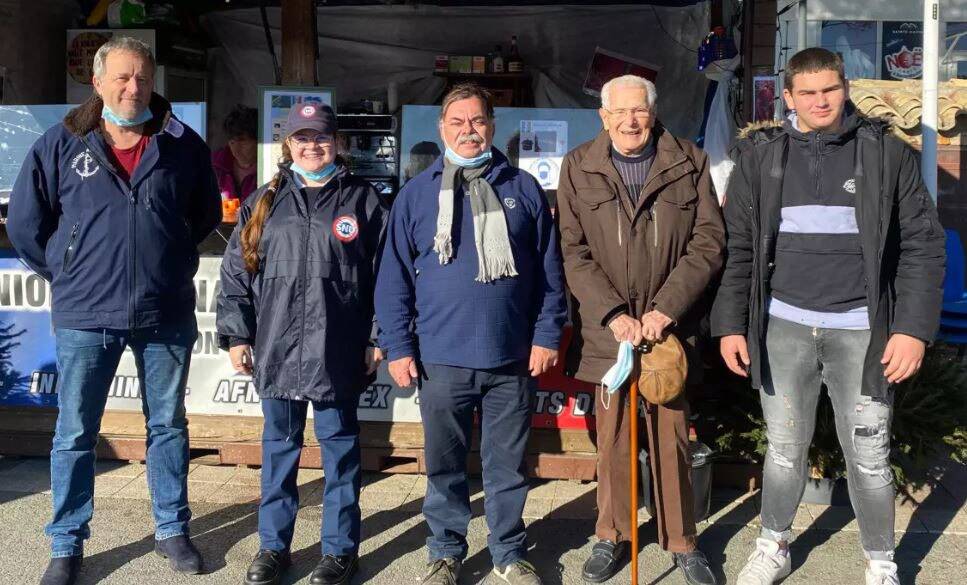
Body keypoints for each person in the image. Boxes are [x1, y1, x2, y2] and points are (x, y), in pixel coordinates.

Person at [711, 48, 945, 585]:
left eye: (830, 90)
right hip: (783, 329)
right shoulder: (763, 159)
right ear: (787, 98)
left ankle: (881, 560)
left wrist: (911, 329)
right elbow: (739, 248)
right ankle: (773, 544)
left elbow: (923, 247)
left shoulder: (884, 154)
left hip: (862, 332)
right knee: (785, 449)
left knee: (867, 452)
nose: (821, 101)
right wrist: (729, 325)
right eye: (808, 93)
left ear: (846, 90)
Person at [7, 36, 221, 585]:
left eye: (143, 79)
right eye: (122, 78)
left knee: (168, 426)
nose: (133, 88)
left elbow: (200, 218)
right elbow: (26, 226)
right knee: (76, 432)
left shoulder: (182, 146)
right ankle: (66, 543)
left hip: (163, 312)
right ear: (98, 83)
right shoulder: (60, 144)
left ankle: (172, 531)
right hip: (85, 315)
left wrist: (166, 262)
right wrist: (69, 272)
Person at [374, 83, 567, 585]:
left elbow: (550, 274)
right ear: (442, 129)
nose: (468, 131)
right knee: (444, 466)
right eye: (457, 122)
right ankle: (445, 552)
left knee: (507, 468)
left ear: (492, 126)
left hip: (511, 358)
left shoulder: (523, 188)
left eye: (477, 121)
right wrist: (397, 346)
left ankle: (507, 552)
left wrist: (547, 335)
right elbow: (392, 278)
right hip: (440, 358)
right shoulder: (416, 195)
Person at [556, 74, 725, 585]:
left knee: (671, 437)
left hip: (666, 331)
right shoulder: (579, 166)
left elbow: (708, 243)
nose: (630, 121)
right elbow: (572, 250)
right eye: (619, 113)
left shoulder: (687, 161)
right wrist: (614, 314)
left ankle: (681, 540)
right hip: (612, 332)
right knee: (613, 440)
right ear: (603, 117)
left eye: (639, 111)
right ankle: (613, 535)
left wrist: (664, 310)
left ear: (653, 113)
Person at [217, 103, 388, 585]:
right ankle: (274, 547)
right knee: (278, 453)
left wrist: (377, 338)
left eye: (321, 137)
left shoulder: (364, 200)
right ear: (288, 145)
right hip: (277, 347)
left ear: (339, 143)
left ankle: (339, 550)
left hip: (338, 347)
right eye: (302, 138)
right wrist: (236, 334)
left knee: (340, 455)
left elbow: (387, 279)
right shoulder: (264, 202)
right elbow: (236, 275)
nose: (312, 146)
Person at [212, 104, 259, 202]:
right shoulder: (215, 165)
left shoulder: (271, 169)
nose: (235, 148)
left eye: (242, 141)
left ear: (259, 141)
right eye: (232, 142)